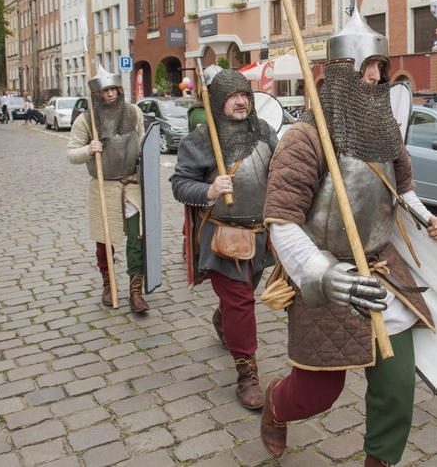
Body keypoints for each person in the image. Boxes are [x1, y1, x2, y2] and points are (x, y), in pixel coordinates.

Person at [260, 14, 437, 466]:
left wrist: (429, 220)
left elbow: (401, 191)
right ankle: (276, 404)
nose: (374, 76)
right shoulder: (303, 139)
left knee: (396, 386)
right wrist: (327, 276)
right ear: (338, 71)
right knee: (315, 394)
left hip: (382, 271)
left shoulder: (384, 131)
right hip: (325, 274)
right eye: (365, 66)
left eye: (380, 67)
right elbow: (282, 222)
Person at [170, 67, 278, 410]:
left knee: (245, 293)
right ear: (218, 101)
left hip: (262, 233)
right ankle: (247, 375)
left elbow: (282, 168)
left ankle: (222, 318)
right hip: (224, 235)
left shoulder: (264, 132)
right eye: (233, 96)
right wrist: (209, 188)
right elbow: (179, 184)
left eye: (245, 94)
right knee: (242, 301)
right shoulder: (200, 140)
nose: (241, 101)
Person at [66, 69, 150, 313]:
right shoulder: (86, 120)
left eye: (114, 89)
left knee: (137, 238)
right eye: (106, 90)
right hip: (104, 186)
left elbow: (144, 142)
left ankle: (135, 291)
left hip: (132, 184)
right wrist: (88, 150)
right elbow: (71, 153)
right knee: (105, 241)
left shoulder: (133, 112)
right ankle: (108, 284)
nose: (111, 94)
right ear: (97, 94)